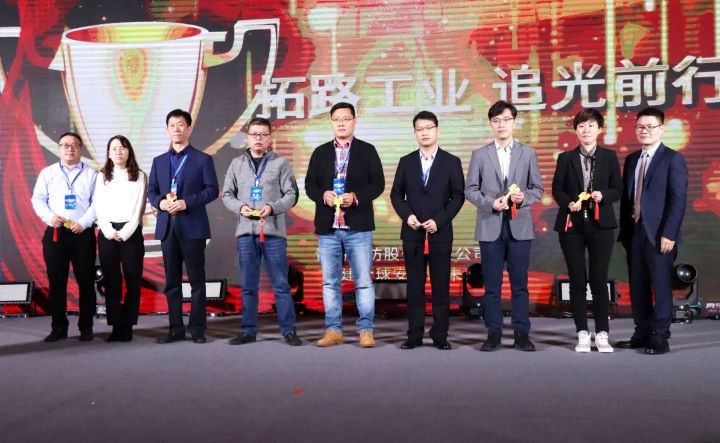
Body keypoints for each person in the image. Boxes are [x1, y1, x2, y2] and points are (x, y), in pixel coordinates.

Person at [465, 100, 544, 352]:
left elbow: (538, 189)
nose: (501, 125)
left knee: (520, 284)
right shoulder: (480, 154)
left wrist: (523, 198)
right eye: (496, 121)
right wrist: (490, 203)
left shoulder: (527, 153)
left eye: (506, 120)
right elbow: (470, 190)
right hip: (490, 226)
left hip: (520, 227)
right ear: (491, 124)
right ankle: (494, 333)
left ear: (514, 122)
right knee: (492, 285)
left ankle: (521, 333)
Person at [305, 102, 385, 348]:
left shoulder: (367, 150)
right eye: (336, 119)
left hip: (358, 228)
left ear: (354, 121)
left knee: (363, 282)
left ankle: (366, 330)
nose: (341, 123)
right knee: (330, 283)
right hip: (328, 229)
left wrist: (356, 197)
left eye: (346, 119)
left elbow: (378, 184)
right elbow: (309, 185)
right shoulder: (320, 152)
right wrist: (323, 195)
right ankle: (333, 330)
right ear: (331, 122)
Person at [221, 117, 302, 346]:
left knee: (281, 284)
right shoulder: (236, 164)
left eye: (263, 134)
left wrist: (272, 208)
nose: (258, 138)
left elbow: (291, 195)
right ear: (247, 137)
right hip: (246, 233)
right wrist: (241, 208)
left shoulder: (281, 163)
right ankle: (248, 331)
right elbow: (227, 194)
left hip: (273, 233)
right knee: (248, 285)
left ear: (269, 138)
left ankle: (289, 331)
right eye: (254, 134)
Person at [390, 111, 465, 350]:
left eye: (428, 128)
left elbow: (458, 196)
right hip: (412, 233)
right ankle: (414, 334)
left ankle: (440, 335)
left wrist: (439, 221)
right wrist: (408, 216)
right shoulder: (406, 161)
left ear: (437, 131)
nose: (424, 133)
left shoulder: (451, 161)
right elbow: (396, 194)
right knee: (414, 286)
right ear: (415, 133)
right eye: (419, 129)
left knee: (441, 286)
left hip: (439, 233)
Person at [617, 107, 688, 355]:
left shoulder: (673, 159)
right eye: (640, 127)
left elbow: (678, 200)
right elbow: (627, 199)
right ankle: (642, 333)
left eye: (650, 127)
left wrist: (669, 233)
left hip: (660, 235)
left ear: (661, 129)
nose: (644, 131)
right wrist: (625, 232)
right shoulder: (632, 159)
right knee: (638, 286)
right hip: (634, 233)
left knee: (661, 286)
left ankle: (660, 336)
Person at [552, 109, 622, 353]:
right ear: (576, 130)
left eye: (591, 125)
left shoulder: (609, 157)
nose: (586, 130)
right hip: (572, 225)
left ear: (599, 129)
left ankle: (602, 333)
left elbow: (618, 188)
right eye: (581, 126)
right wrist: (568, 203)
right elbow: (557, 189)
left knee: (599, 279)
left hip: (601, 225)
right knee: (577, 279)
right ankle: (582, 332)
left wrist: (604, 196)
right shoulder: (565, 158)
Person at [148, 109, 219, 344]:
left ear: (189, 128)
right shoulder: (159, 161)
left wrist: (186, 202)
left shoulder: (202, 159)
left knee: (197, 281)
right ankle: (175, 329)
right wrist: (161, 203)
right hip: (167, 227)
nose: (176, 129)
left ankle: (197, 329)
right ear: (167, 130)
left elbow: (212, 190)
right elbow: (152, 191)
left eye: (181, 125)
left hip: (193, 226)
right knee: (172, 283)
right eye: (172, 125)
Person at [31, 132, 98, 342]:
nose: (70, 148)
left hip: (82, 233)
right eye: (65, 145)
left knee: (86, 281)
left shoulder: (91, 174)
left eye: (75, 145)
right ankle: (58, 327)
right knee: (57, 282)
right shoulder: (48, 173)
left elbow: (97, 203)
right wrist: (50, 217)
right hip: (56, 233)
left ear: (81, 149)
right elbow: (37, 199)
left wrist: (83, 223)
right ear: (59, 148)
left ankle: (86, 327)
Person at [95, 135, 147, 342]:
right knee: (112, 281)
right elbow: (99, 206)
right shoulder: (102, 176)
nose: (118, 152)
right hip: (107, 233)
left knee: (133, 280)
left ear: (129, 151)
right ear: (109, 153)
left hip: (131, 233)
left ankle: (128, 326)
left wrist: (125, 232)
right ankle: (116, 326)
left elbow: (139, 209)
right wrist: (108, 231)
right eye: (114, 148)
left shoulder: (139, 176)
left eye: (123, 148)